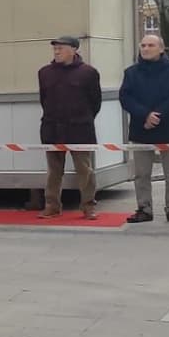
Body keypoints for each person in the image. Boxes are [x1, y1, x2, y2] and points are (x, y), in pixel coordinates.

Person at [118, 31, 169, 225]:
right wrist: (145, 115)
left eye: (151, 45)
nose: (146, 49)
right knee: (141, 174)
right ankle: (144, 208)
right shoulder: (131, 73)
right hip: (141, 129)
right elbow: (126, 98)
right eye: (143, 46)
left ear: (161, 49)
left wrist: (157, 115)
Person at [37, 36, 102, 219]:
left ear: (74, 50)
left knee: (85, 170)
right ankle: (52, 205)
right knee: (53, 171)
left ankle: (88, 206)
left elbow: (95, 102)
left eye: (61, 48)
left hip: (80, 129)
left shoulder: (88, 73)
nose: (57, 52)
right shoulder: (45, 73)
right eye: (55, 49)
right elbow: (44, 100)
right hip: (52, 128)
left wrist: (83, 118)